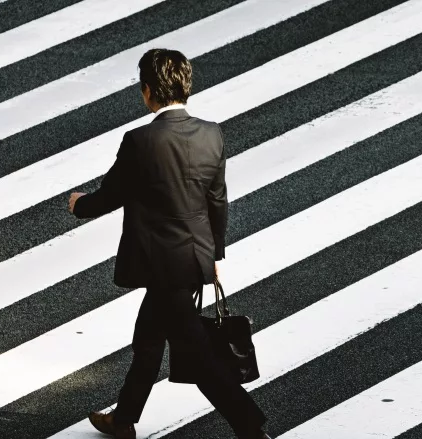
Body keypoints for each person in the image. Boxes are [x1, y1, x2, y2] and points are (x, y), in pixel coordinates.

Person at [68, 48, 270, 439]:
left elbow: (111, 195)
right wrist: (213, 254)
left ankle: (251, 430)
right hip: (193, 258)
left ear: (148, 90)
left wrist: (79, 205)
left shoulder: (140, 140)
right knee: (147, 340)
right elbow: (217, 200)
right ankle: (123, 419)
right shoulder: (211, 134)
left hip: (159, 265)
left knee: (199, 356)